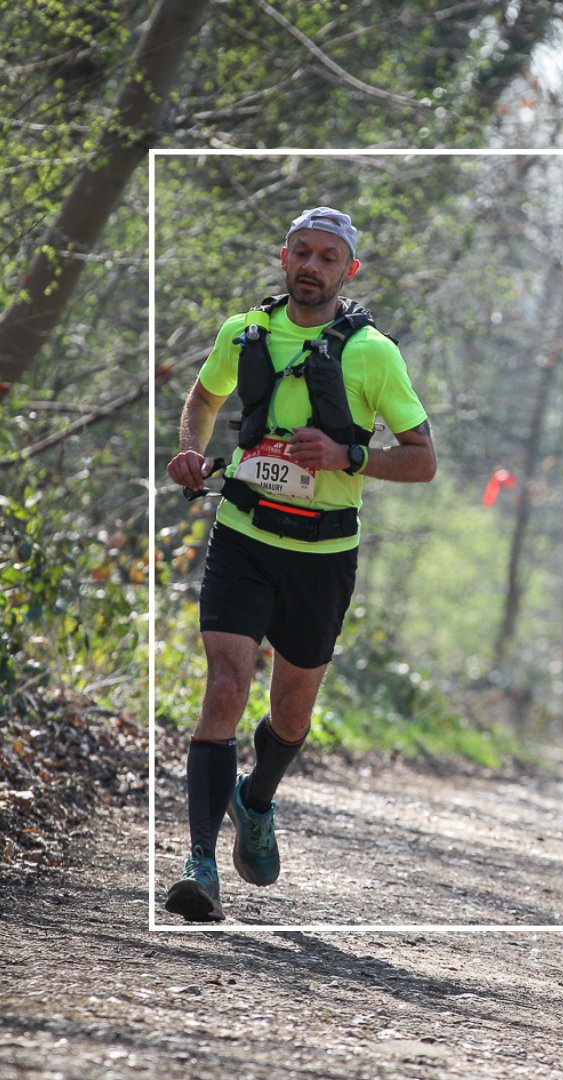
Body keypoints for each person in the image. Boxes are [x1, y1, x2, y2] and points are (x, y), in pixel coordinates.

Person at [163, 207, 436, 922]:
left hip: (322, 554)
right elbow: (203, 396)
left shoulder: (373, 353)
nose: (311, 266)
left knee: (290, 713)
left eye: (327, 257)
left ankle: (256, 801)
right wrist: (192, 448)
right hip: (244, 533)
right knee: (225, 683)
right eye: (302, 253)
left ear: (349, 271)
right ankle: (198, 864)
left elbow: (424, 460)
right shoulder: (243, 332)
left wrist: (350, 456)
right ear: (283, 258)